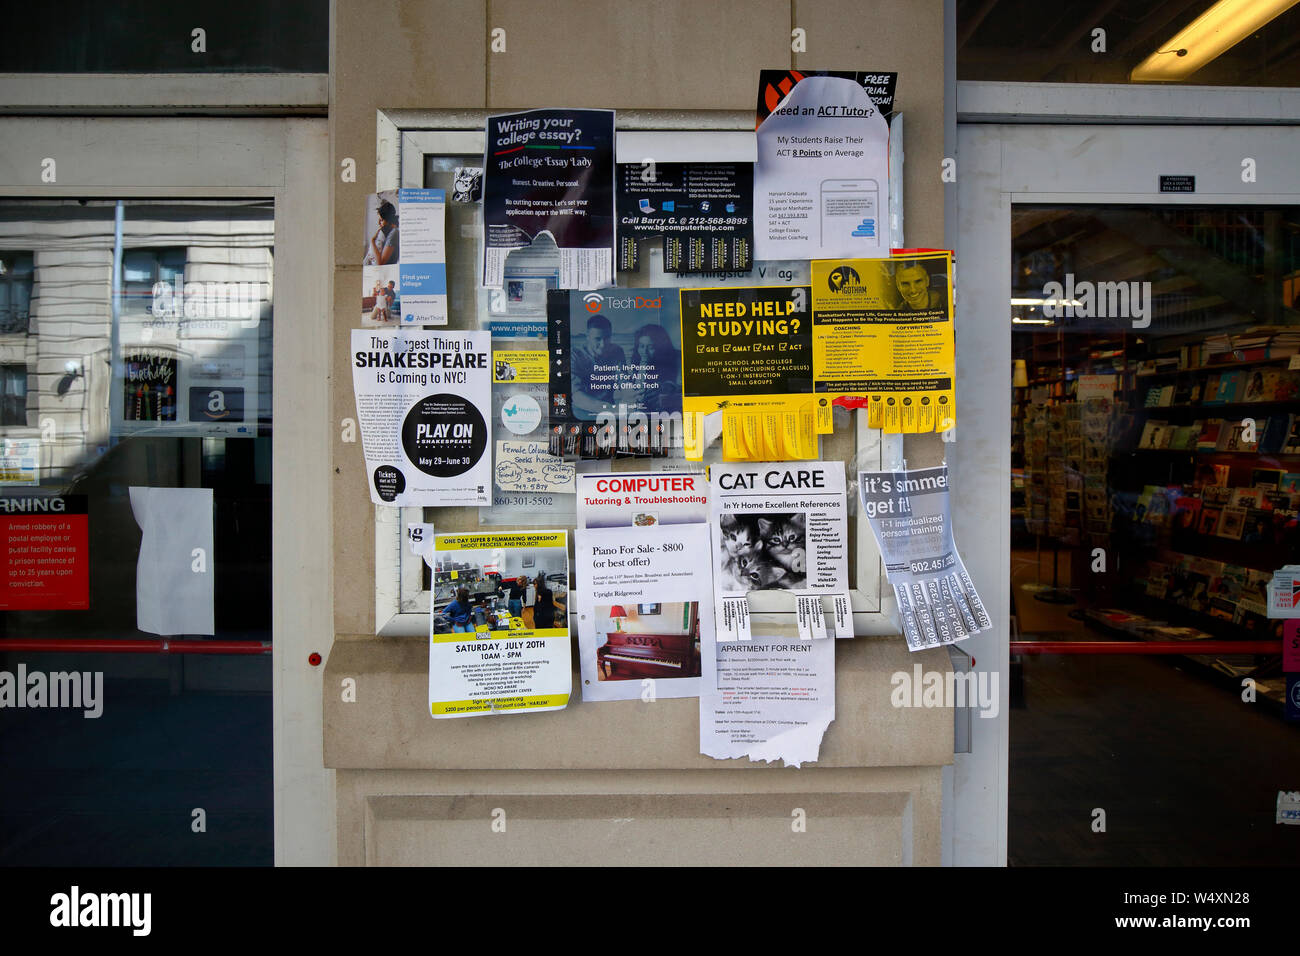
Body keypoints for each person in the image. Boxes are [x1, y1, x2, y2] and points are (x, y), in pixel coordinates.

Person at [571, 315, 626, 417]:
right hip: (581, 412)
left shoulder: (617, 351)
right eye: (597, 339)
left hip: (609, 411)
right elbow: (575, 394)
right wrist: (609, 409)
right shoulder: (574, 354)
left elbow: (623, 380)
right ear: (587, 336)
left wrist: (631, 396)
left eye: (607, 338)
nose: (603, 344)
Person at [625, 323, 680, 413]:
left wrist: (667, 390)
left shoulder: (676, 358)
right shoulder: (636, 360)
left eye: (650, 347)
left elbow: (680, 387)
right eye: (641, 346)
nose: (644, 352)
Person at [369, 199, 399, 266]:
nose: (379, 223)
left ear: (388, 219)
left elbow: (380, 263)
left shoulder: (394, 233)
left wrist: (372, 241)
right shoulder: (389, 232)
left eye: (381, 220)